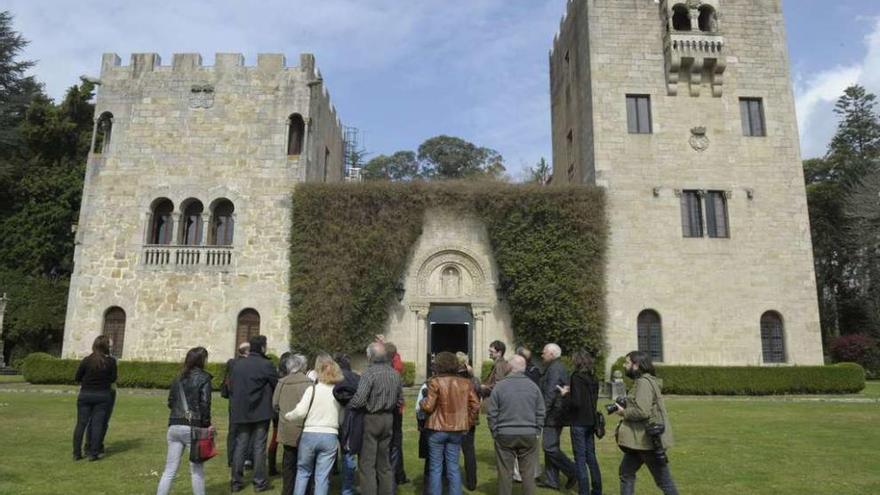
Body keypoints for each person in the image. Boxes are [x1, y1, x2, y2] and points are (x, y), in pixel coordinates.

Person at [614, 351, 678, 495]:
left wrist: (623, 412)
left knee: (663, 481)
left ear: (636, 365)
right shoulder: (644, 381)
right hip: (638, 440)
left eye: (627, 363)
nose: (625, 366)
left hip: (647, 441)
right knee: (625, 473)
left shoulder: (643, 382)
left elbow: (642, 411)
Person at [419, 351, 480, 495]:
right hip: (456, 430)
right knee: (453, 467)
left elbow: (428, 406)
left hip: (437, 429)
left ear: (438, 365)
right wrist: (467, 423)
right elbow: (476, 405)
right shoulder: (466, 382)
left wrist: (422, 402)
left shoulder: (435, 382)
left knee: (435, 467)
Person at [285, 354, 344, 495]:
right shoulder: (338, 393)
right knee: (322, 476)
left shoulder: (312, 390)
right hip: (330, 435)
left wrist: (288, 416)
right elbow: (342, 418)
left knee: (303, 472)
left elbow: (300, 412)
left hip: (310, 435)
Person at [348, 342, 403, 495]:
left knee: (367, 464)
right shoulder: (395, 373)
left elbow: (359, 400)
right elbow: (400, 400)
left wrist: (348, 405)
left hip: (372, 419)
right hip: (388, 419)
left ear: (370, 356)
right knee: (384, 463)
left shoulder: (369, 373)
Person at [156, 347, 212, 495]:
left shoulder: (178, 377)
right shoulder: (204, 378)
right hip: (193, 426)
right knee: (196, 470)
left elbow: (170, 402)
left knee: (169, 470)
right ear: (202, 361)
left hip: (174, 425)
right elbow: (205, 404)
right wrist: (206, 425)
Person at [487, 355, 545, 495]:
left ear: (510, 367)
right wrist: (537, 430)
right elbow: (541, 411)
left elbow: (492, 413)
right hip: (528, 434)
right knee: (528, 474)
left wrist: (495, 431)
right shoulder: (534, 387)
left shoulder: (500, 386)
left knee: (505, 473)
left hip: (505, 434)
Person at [229, 335, 278, 492]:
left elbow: (233, 387)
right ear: (263, 347)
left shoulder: (238, 365)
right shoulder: (266, 365)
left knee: (240, 445)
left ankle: (236, 481)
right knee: (259, 446)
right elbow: (276, 384)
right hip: (261, 410)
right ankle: (259, 482)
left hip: (242, 410)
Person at [559, 350, 603, 495]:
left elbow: (576, 403)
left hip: (579, 422)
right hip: (591, 421)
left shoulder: (577, 377)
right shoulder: (593, 377)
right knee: (591, 457)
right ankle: (597, 491)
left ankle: (584, 491)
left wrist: (566, 395)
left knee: (580, 458)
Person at [538, 343, 577, 490]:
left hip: (554, 414)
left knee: (549, 447)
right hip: (554, 413)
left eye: (544, 353)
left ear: (552, 354)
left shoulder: (555, 368)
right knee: (550, 446)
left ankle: (573, 471)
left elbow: (550, 394)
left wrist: (542, 413)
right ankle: (551, 480)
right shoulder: (554, 367)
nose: (542, 355)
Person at [72, 335, 117, 461]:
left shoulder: (87, 360)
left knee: (81, 424)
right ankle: (93, 452)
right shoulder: (110, 362)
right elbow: (113, 378)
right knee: (97, 424)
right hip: (102, 395)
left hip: (86, 394)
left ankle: (76, 452)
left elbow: (77, 377)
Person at [273, 353, 311, 495]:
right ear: (302, 366)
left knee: (288, 463)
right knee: (305, 464)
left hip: (287, 426)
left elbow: (275, 404)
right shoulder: (309, 383)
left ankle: (287, 491)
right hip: (304, 428)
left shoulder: (281, 382)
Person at [333, 353, 362, 495]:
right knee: (349, 453)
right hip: (353, 419)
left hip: (336, 419)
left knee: (341, 453)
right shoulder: (357, 378)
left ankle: (346, 487)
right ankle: (348, 488)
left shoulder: (332, 379)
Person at [385, 342, 410, 488]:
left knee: (393, 445)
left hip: (382, 413)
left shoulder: (374, 369)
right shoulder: (395, 370)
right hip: (395, 411)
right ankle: (396, 477)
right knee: (395, 444)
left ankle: (397, 475)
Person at [455, 351, 481, 491]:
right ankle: (472, 482)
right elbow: (479, 394)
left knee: (453, 450)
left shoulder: (453, 378)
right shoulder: (473, 380)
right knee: (469, 450)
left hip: (456, 418)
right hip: (470, 419)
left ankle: (451, 480)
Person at [223, 342, 251, 468]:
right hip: (245, 401)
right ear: (247, 352)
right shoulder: (245, 364)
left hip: (233, 401)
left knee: (233, 430)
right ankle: (246, 458)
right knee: (246, 430)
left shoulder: (232, 363)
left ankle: (231, 458)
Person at [267, 352, 292, 477]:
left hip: (277, 411)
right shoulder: (287, 377)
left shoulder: (276, 375)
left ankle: (272, 467)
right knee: (286, 440)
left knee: (275, 439)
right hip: (285, 410)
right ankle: (280, 467)